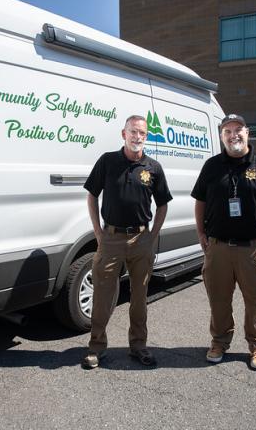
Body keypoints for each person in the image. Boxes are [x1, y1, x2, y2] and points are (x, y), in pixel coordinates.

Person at [191, 114, 256, 370]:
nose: (233, 135)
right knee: (219, 300)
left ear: (248, 133)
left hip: (253, 248)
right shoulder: (212, 166)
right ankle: (219, 342)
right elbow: (200, 200)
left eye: (238, 129)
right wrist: (201, 234)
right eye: (227, 131)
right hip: (219, 248)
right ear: (221, 136)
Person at [81, 114, 173, 369]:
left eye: (142, 133)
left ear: (146, 136)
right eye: (133, 132)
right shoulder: (108, 161)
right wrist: (99, 232)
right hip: (110, 239)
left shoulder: (153, 167)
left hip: (141, 239)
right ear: (124, 134)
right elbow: (91, 195)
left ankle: (139, 346)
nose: (137, 136)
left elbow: (163, 204)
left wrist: (152, 235)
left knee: (140, 296)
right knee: (102, 294)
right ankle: (96, 347)